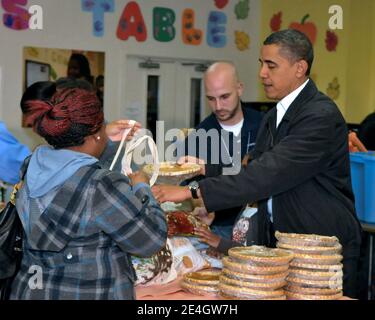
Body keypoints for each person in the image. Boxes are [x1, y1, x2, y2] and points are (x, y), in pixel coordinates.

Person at [152, 29, 362, 298]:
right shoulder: (274, 116)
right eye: (261, 64)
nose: (262, 73)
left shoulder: (320, 116)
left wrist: (192, 191)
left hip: (321, 253)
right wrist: (207, 170)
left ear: (300, 68)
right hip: (283, 249)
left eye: (271, 65)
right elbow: (252, 168)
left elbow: (268, 173)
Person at [10, 87, 165, 300]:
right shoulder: (101, 186)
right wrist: (141, 187)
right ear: (95, 136)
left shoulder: (31, 166)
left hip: (30, 291)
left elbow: (69, 163)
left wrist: (103, 135)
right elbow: (150, 241)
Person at [178, 62, 263, 238]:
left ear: (239, 88)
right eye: (211, 98)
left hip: (263, 226)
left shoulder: (264, 125)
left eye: (225, 97)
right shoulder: (198, 137)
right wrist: (199, 203)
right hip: (219, 229)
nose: (218, 106)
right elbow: (190, 186)